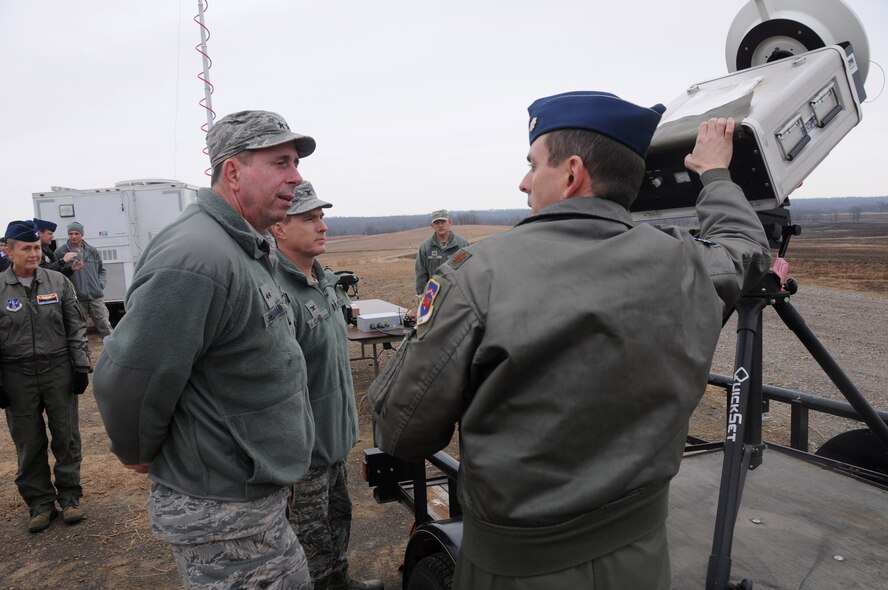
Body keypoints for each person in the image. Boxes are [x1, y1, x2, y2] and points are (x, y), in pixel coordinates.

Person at [369, 91, 772, 589]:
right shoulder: (688, 264)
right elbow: (746, 248)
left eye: (532, 163)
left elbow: (403, 432)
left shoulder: (477, 275)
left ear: (571, 173)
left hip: (519, 570)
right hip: (642, 559)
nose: (522, 181)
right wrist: (714, 173)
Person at [92, 110, 317, 589]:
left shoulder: (244, 246)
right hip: (222, 508)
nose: (296, 177)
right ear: (233, 171)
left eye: (295, 163)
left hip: (249, 494)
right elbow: (128, 376)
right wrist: (137, 450)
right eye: (280, 162)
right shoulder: (199, 257)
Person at [271, 181, 384, 590]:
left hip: (332, 438)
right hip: (301, 450)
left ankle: (339, 579)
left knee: (338, 517)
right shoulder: (276, 291)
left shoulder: (323, 280)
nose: (322, 226)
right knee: (308, 538)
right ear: (279, 228)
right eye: (309, 218)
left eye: (322, 217)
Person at [0, 220, 91, 533]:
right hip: (16, 374)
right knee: (29, 442)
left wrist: (80, 365)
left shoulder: (57, 282)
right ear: (8, 250)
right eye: (26, 248)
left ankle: (70, 498)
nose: (33, 253)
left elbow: (75, 326)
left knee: (66, 437)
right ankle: (40, 504)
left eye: (36, 248)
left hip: (57, 370)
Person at [54, 222, 112, 337]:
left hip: (95, 297)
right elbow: (57, 274)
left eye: (76, 233)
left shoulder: (92, 251)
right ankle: (82, 355)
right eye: (70, 233)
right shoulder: (60, 252)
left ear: (82, 234)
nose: (73, 236)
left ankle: (114, 353)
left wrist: (99, 285)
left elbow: (101, 270)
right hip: (76, 300)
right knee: (78, 332)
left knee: (106, 328)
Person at [414, 209, 469, 296]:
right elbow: (421, 273)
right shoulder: (426, 247)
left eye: (443, 222)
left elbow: (468, 270)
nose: (440, 225)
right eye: (437, 223)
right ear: (432, 226)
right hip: (434, 295)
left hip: (458, 295)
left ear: (450, 222)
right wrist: (421, 294)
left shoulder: (462, 244)